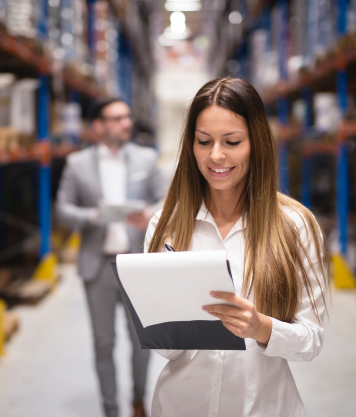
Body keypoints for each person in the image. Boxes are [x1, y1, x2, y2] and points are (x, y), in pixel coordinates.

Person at [144, 78, 329, 417]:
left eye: (232, 141)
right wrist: (157, 320)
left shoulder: (295, 225)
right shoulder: (166, 226)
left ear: (255, 143)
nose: (216, 155)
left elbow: (311, 340)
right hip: (182, 406)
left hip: (263, 407)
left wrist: (262, 328)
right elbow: (168, 351)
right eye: (204, 141)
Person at [56, 98, 165, 417]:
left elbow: (166, 198)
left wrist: (150, 214)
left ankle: (138, 401)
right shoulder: (77, 164)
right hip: (98, 265)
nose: (127, 123)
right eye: (117, 118)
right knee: (104, 344)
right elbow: (62, 209)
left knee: (142, 342)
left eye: (128, 117)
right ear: (98, 126)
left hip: (137, 266)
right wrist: (93, 216)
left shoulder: (146, 158)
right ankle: (110, 409)